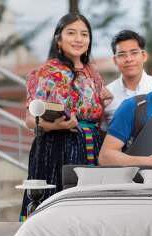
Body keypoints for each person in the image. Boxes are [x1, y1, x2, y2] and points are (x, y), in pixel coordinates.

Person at [20, 13, 112, 221]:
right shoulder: (45, 73)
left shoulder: (93, 74)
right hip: (55, 146)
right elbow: (29, 119)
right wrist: (55, 126)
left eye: (84, 34)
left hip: (92, 147)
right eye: (71, 33)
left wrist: (106, 99)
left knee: (91, 208)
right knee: (56, 205)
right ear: (58, 40)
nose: (79, 39)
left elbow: (98, 115)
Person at [102, 30, 152, 130]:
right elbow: (103, 133)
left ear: (144, 56)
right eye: (122, 54)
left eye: (134, 53)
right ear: (115, 60)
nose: (129, 59)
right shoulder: (106, 94)